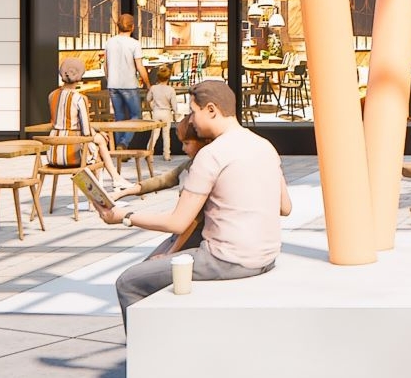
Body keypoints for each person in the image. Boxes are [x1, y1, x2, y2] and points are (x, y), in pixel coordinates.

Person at [100, 78, 288, 316]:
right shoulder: (265, 146)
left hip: (226, 259)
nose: (190, 121)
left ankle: (151, 351)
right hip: (267, 256)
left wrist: (124, 215)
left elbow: (178, 222)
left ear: (211, 110)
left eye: (192, 112)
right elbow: (285, 207)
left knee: (129, 282)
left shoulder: (210, 155)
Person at [49, 58, 115, 179]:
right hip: (72, 156)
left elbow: (58, 121)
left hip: (53, 155)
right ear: (80, 76)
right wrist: (98, 134)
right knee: (99, 142)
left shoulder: (52, 95)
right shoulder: (79, 98)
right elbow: (86, 132)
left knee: (97, 141)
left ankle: (114, 179)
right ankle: (114, 179)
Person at [102, 12, 149, 150]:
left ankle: (119, 148)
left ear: (118, 27)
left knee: (119, 118)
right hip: (129, 84)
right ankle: (124, 143)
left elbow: (105, 65)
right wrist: (148, 84)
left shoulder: (109, 42)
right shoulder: (134, 44)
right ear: (133, 27)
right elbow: (139, 66)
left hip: (113, 85)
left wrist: (109, 79)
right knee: (136, 115)